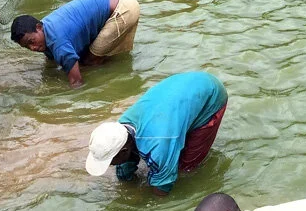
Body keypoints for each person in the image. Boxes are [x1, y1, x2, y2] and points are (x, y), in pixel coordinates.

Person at [85, 71, 227, 196]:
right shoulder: (121, 129)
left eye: (110, 161)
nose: (110, 165)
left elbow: (163, 188)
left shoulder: (159, 143)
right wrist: (127, 184)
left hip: (211, 95)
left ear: (124, 151)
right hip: (183, 87)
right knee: (169, 150)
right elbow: (125, 163)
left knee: (186, 168)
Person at [10, 0, 140, 88]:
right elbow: (51, 59)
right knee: (82, 58)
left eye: (31, 42)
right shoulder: (44, 28)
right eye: (27, 47)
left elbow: (77, 82)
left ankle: (115, 72)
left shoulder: (58, 42)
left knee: (88, 62)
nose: (32, 48)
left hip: (124, 9)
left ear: (38, 27)